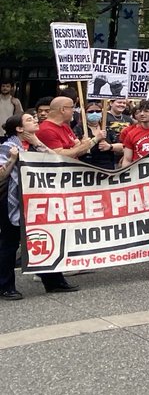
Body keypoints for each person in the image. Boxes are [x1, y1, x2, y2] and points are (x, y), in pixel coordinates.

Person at [1, 113, 83, 297]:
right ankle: (5, 286)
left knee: (45, 239)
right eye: (30, 120)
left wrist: (37, 140)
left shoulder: (36, 145)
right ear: (19, 129)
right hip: (13, 201)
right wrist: (13, 159)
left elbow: (55, 160)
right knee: (10, 243)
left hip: (39, 200)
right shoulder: (7, 147)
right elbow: (1, 175)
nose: (36, 120)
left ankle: (54, 281)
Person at [35, 95, 94, 160]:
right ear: (62, 109)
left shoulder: (65, 126)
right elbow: (59, 156)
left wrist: (79, 148)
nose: (73, 111)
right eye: (72, 107)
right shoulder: (46, 130)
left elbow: (77, 148)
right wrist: (81, 147)